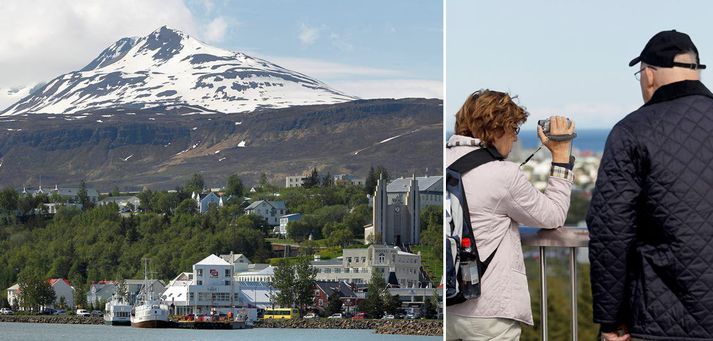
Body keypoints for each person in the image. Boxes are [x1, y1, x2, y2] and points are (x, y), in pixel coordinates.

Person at [587, 30, 713, 341]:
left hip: (659, 320)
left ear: (648, 75)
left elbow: (610, 230)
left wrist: (611, 320)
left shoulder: (631, 131)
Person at [446, 89, 575, 340]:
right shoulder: (502, 174)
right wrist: (560, 158)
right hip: (488, 309)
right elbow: (553, 215)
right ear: (495, 129)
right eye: (513, 128)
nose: (515, 138)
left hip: (447, 304)